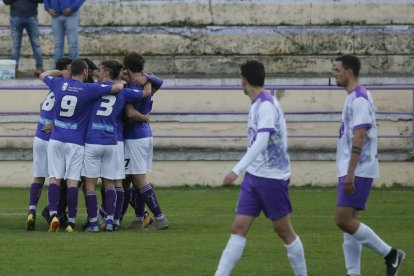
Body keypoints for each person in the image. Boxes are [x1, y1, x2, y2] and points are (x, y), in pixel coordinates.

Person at [215, 60, 307, 276]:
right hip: (254, 176)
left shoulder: (266, 104)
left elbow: (262, 141)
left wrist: (236, 170)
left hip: (272, 177)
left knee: (284, 231)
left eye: (240, 78)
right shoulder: (258, 103)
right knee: (239, 228)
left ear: (244, 80)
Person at [333, 55, 405, 276]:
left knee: (343, 220)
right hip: (351, 168)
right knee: (350, 221)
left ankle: (391, 254)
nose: (334, 73)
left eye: (337, 70)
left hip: (358, 169)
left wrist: (351, 172)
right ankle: (353, 272)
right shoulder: (353, 97)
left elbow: (359, 136)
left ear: (350, 72)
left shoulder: (360, 99)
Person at [39, 59, 123, 232]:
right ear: (85, 72)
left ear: (70, 71)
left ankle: (54, 213)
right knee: (72, 182)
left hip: (55, 138)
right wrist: (121, 82)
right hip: (75, 141)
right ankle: (71, 220)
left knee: (54, 177)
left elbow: (42, 75)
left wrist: (60, 73)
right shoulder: (88, 89)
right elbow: (116, 88)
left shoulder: (59, 84)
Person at [82, 60, 151, 232]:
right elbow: (145, 93)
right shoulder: (125, 92)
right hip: (113, 141)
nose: (97, 72)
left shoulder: (93, 89)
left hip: (93, 140)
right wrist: (147, 78)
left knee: (90, 184)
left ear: (105, 73)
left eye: (99, 70)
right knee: (112, 183)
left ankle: (92, 223)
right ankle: (112, 221)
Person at [122, 52, 169, 230]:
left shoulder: (128, 88)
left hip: (134, 136)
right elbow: (160, 82)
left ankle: (160, 217)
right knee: (133, 178)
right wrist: (147, 76)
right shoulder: (147, 82)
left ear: (126, 68)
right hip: (145, 135)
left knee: (139, 179)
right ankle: (138, 218)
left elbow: (130, 113)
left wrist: (142, 117)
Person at [25, 57, 72, 231]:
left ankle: (31, 211)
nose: (72, 72)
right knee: (56, 178)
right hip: (53, 139)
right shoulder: (66, 86)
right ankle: (54, 214)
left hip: (39, 136)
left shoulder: (53, 84)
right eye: (69, 69)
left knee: (38, 177)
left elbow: (42, 77)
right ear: (64, 70)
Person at [2, 0, 44, 76]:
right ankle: (13, 70)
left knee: (36, 44)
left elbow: (41, 1)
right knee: (16, 45)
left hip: (32, 17)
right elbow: (6, 1)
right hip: (16, 17)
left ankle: (39, 68)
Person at [43, 0, 84, 67]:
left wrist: (72, 8)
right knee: (58, 45)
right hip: (56, 16)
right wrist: (48, 9)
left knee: (72, 44)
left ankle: (76, 70)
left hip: (72, 15)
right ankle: (58, 69)